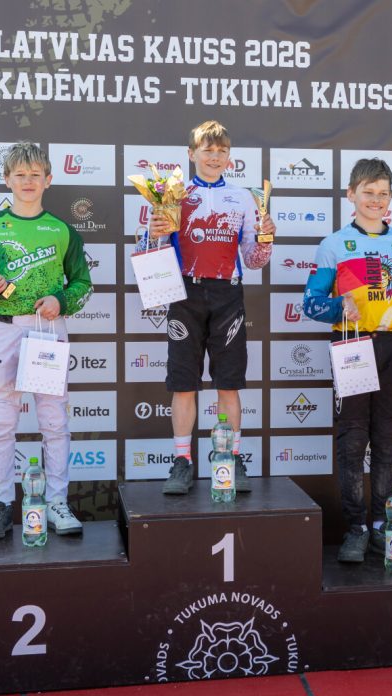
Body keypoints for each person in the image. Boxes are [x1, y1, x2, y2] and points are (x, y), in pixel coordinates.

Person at [0, 141, 92, 540]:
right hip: (3, 328)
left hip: (47, 330)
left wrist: (61, 300)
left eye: (35, 175)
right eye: (20, 175)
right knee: (1, 419)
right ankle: (1, 504)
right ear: (7, 180)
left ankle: (56, 502)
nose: (28, 181)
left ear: (48, 180)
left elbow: (83, 284)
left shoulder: (63, 230)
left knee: (54, 419)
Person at [303, 158, 392, 562]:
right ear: (351, 195)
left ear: (391, 198)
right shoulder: (333, 244)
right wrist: (339, 306)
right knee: (353, 440)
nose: (376, 200)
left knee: (388, 439)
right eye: (368, 192)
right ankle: (355, 528)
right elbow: (310, 303)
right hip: (352, 345)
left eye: (383, 193)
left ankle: (381, 526)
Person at [147, 120, 274, 496]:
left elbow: (253, 260)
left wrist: (266, 239)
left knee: (229, 384)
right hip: (183, 293)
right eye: (208, 150)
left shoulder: (243, 198)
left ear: (229, 157)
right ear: (192, 154)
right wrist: (152, 233)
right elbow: (151, 250)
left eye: (222, 151)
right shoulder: (174, 194)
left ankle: (230, 458)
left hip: (227, 295)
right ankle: (182, 461)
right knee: (183, 383)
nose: (215, 157)